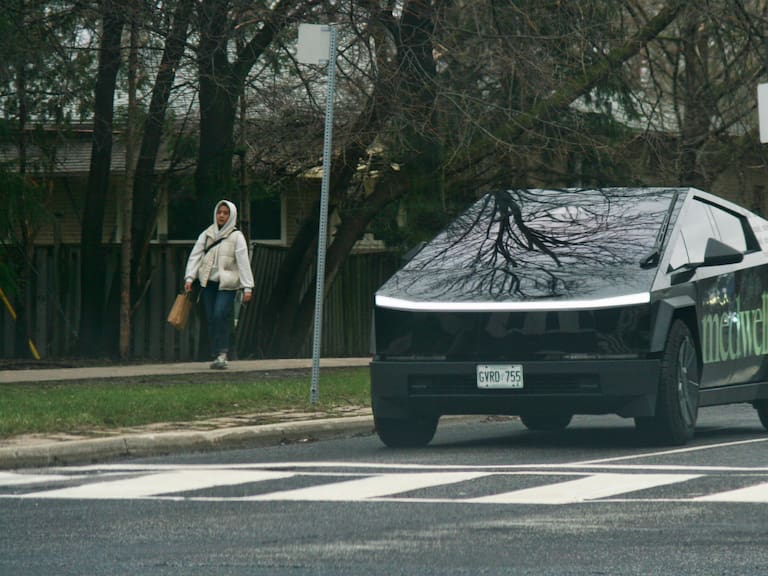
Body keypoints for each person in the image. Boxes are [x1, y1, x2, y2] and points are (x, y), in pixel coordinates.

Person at [184, 200, 254, 369]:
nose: (222, 215)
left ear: (231, 216)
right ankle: (217, 354)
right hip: (208, 283)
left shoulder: (237, 237)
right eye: (219, 212)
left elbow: (243, 262)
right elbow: (196, 255)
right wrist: (189, 278)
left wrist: (247, 286)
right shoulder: (207, 234)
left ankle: (223, 353)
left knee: (219, 314)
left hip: (228, 284)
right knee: (210, 318)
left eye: (225, 213)